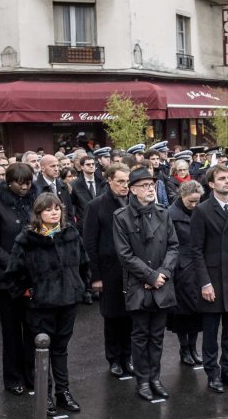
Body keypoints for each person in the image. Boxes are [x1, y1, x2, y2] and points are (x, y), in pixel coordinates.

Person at [5, 193, 85, 415]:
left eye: (57, 209)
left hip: (67, 301)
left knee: (61, 349)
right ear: (38, 214)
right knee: (42, 351)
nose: (54, 213)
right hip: (41, 305)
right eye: (49, 210)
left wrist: (78, 286)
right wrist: (29, 294)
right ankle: (44, 395)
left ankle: (63, 392)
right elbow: (14, 273)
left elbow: (84, 263)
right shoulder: (27, 239)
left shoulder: (70, 233)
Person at [113, 168, 179, 401]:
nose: (150, 189)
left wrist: (162, 273)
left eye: (151, 185)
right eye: (144, 186)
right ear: (132, 190)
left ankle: (155, 378)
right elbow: (125, 255)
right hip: (139, 285)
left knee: (157, 335)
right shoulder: (121, 217)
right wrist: (150, 276)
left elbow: (173, 246)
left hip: (162, 284)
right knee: (140, 336)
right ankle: (142, 381)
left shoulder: (163, 212)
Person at [190, 164, 228, 393]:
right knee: (210, 333)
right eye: (222, 179)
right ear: (211, 184)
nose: (227, 182)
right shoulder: (202, 210)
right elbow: (196, 250)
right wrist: (205, 282)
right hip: (213, 280)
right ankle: (212, 374)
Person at [0, 163, 37, 395]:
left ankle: (31, 374)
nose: (24, 187)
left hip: (33, 276)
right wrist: (15, 265)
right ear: (8, 182)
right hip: (8, 278)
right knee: (12, 332)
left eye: (28, 182)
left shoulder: (37, 199)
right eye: (19, 183)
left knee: (33, 330)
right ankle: (13, 377)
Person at [83, 163, 133, 377]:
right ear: (109, 180)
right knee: (112, 317)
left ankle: (128, 356)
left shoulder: (134, 202)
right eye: (120, 181)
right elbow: (90, 242)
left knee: (131, 315)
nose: (125, 186)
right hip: (108, 270)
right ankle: (114, 358)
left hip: (131, 270)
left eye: (127, 181)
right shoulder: (96, 206)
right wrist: (95, 276)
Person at [168, 180, 204, 366]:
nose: (194, 205)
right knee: (183, 311)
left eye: (197, 201)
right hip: (180, 268)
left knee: (198, 309)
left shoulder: (200, 210)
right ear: (182, 196)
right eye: (191, 201)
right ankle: (184, 348)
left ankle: (193, 347)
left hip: (199, 266)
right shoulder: (171, 214)